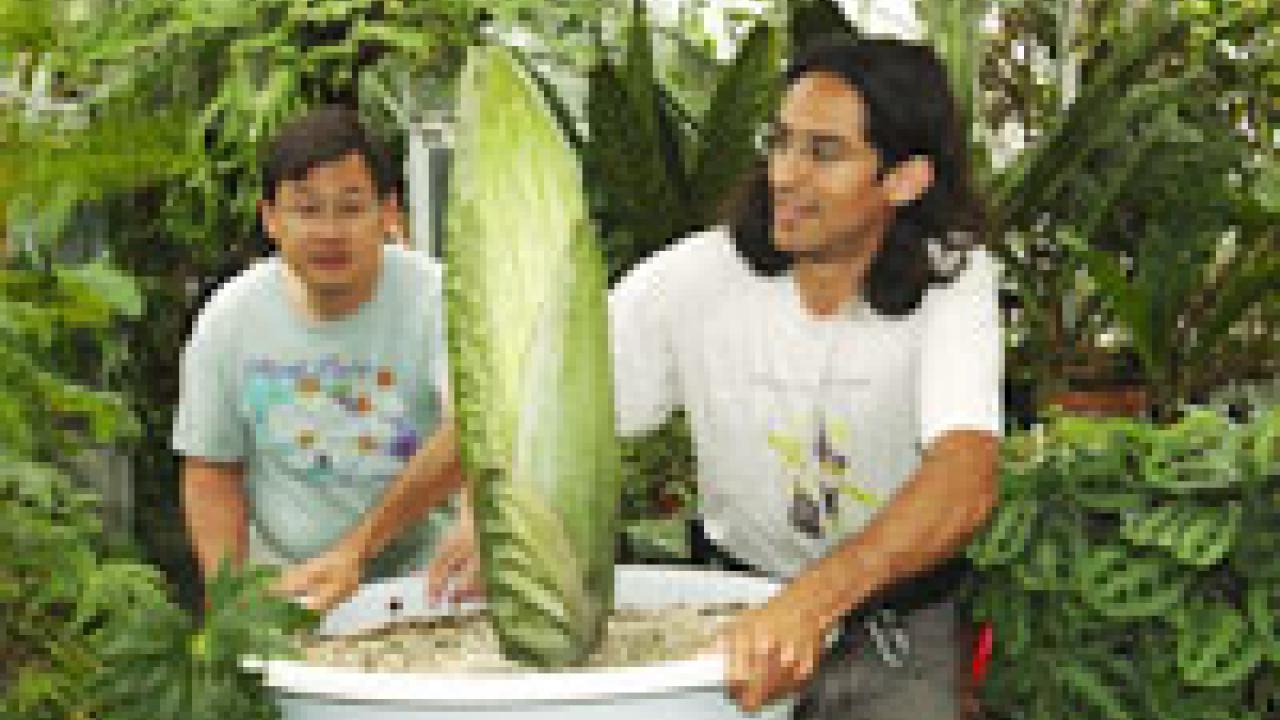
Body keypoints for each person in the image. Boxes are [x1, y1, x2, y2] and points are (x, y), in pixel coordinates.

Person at [327, 35, 1001, 718]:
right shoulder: (698, 277)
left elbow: (964, 479)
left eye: (823, 152)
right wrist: (364, 545)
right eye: (781, 142)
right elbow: (521, 410)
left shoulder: (952, 279)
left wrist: (815, 602)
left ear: (905, 180)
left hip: (896, 626)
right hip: (743, 607)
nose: (785, 174)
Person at [173, 105, 474, 612]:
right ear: (271, 218)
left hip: (428, 591)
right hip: (291, 594)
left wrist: (474, 519)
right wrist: (229, 596)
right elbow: (211, 470)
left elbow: (471, 431)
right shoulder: (230, 318)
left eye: (351, 207)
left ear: (388, 212)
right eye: (307, 210)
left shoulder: (442, 299)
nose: (329, 232)